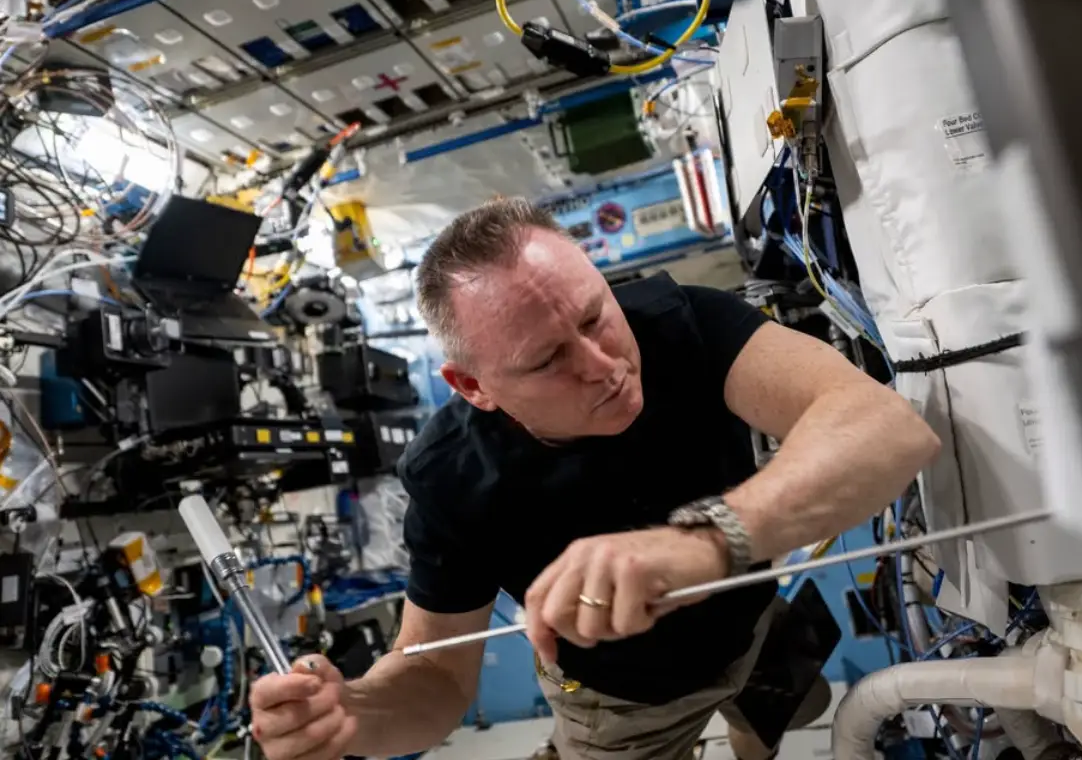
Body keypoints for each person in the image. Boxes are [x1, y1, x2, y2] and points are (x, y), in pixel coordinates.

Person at [249, 198, 939, 760]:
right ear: (474, 386)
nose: (603, 364)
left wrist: (702, 542)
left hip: (750, 625)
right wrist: (354, 714)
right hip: (618, 701)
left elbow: (884, 424)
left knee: (778, 716)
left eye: (594, 316)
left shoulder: (684, 323)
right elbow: (433, 670)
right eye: (547, 360)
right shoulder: (450, 479)